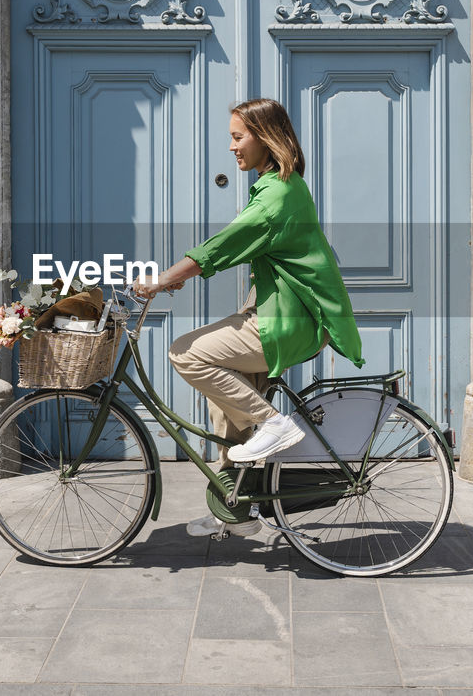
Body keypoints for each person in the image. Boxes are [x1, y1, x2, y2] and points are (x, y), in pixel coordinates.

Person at [134, 98, 365, 538]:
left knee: (186, 353)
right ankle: (234, 508)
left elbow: (220, 246)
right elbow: (234, 248)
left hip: (287, 323)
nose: (232, 147)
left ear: (266, 138)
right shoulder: (279, 186)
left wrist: (162, 280)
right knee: (225, 404)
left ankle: (273, 424)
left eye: (238, 137)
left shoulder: (276, 196)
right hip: (275, 313)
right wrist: (179, 276)